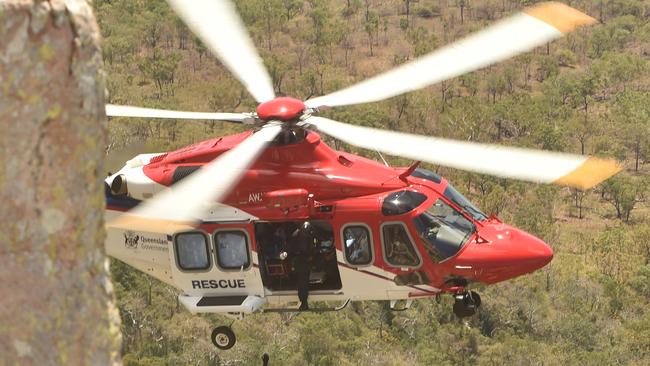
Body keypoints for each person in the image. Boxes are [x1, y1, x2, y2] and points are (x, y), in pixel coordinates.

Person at [290, 221, 315, 311]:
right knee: (302, 282)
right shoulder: (296, 235)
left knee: (304, 281)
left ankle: (304, 302)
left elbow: (313, 246)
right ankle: (304, 302)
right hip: (299, 260)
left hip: (305, 260)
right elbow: (291, 247)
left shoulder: (310, 235)